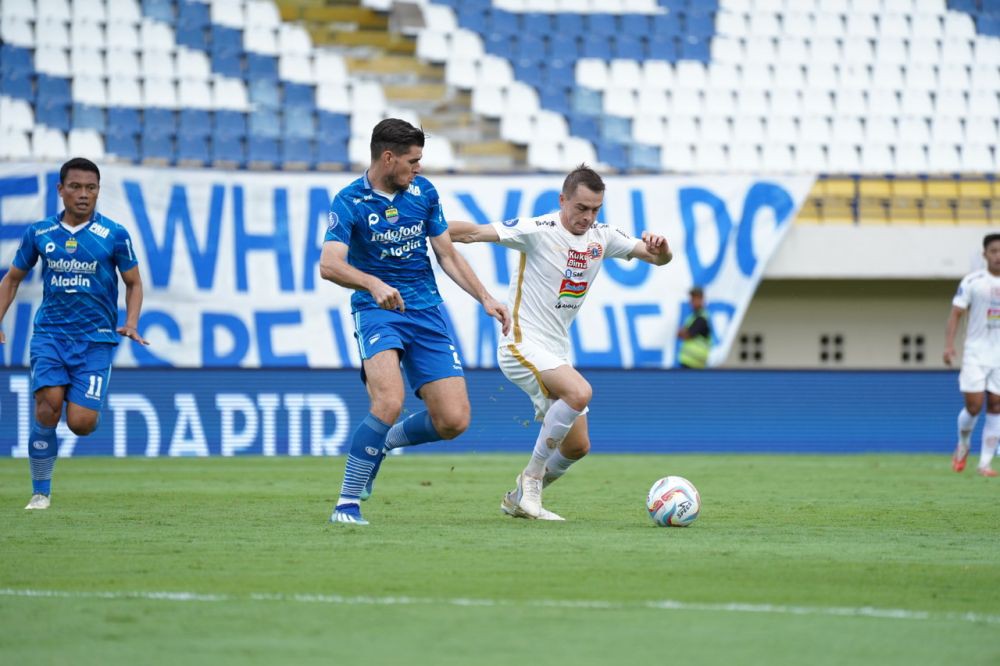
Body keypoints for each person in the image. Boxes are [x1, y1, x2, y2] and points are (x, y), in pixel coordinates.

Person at [449, 165, 672, 520]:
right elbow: (473, 232)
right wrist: (428, 228)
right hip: (520, 344)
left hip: (555, 351)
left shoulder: (603, 236)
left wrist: (662, 249)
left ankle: (518, 499)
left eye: (595, 209)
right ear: (563, 200)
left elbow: (657, 258)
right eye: (581, 207)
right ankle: (531, 480)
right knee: (580, 392)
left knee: (578, 446)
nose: (588, 216)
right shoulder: (538, 230)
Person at [319, 118, 511, 526]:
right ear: (388, 158)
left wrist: (485, 297)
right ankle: (347, 503)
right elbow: (329, 264)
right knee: (388, 401)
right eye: (413, 160)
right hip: (377, 311)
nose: (418, 168)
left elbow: (447, 255)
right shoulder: (349, 201)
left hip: (425, 311)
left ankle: (382, 442)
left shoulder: (424, 193)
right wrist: (372, 284)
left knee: (454, 420)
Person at [0, 157, 149, 510]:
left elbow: (134, 283)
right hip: (50, 334)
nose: (84, 195)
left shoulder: (114, 234)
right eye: (76, 187)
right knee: (47, 409)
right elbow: (12, 279)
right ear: (61, 190)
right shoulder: (39, 233)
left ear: (98, 191)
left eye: (91, 188)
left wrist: (131, 322)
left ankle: (82, 401)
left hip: (95, 338)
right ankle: (40, 492)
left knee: (81, 423)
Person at [944, 232, 1000, 478]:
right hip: (975, 352)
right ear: (985, 254)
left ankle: (985, 464)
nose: (999, 256)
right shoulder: (973, 281)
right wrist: (949, 345)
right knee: (974, 406)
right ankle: (963, 444)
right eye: (994, 251)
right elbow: (956, 313)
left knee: (996, 405)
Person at [677, 285, 711, 369]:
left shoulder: (702, 317)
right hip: (689, 361)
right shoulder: (693, 316)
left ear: (702, 299)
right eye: (692, 298)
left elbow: (687, 335)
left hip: (695, 363)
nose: (692, 300)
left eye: (696, 298)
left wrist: (682, 332)